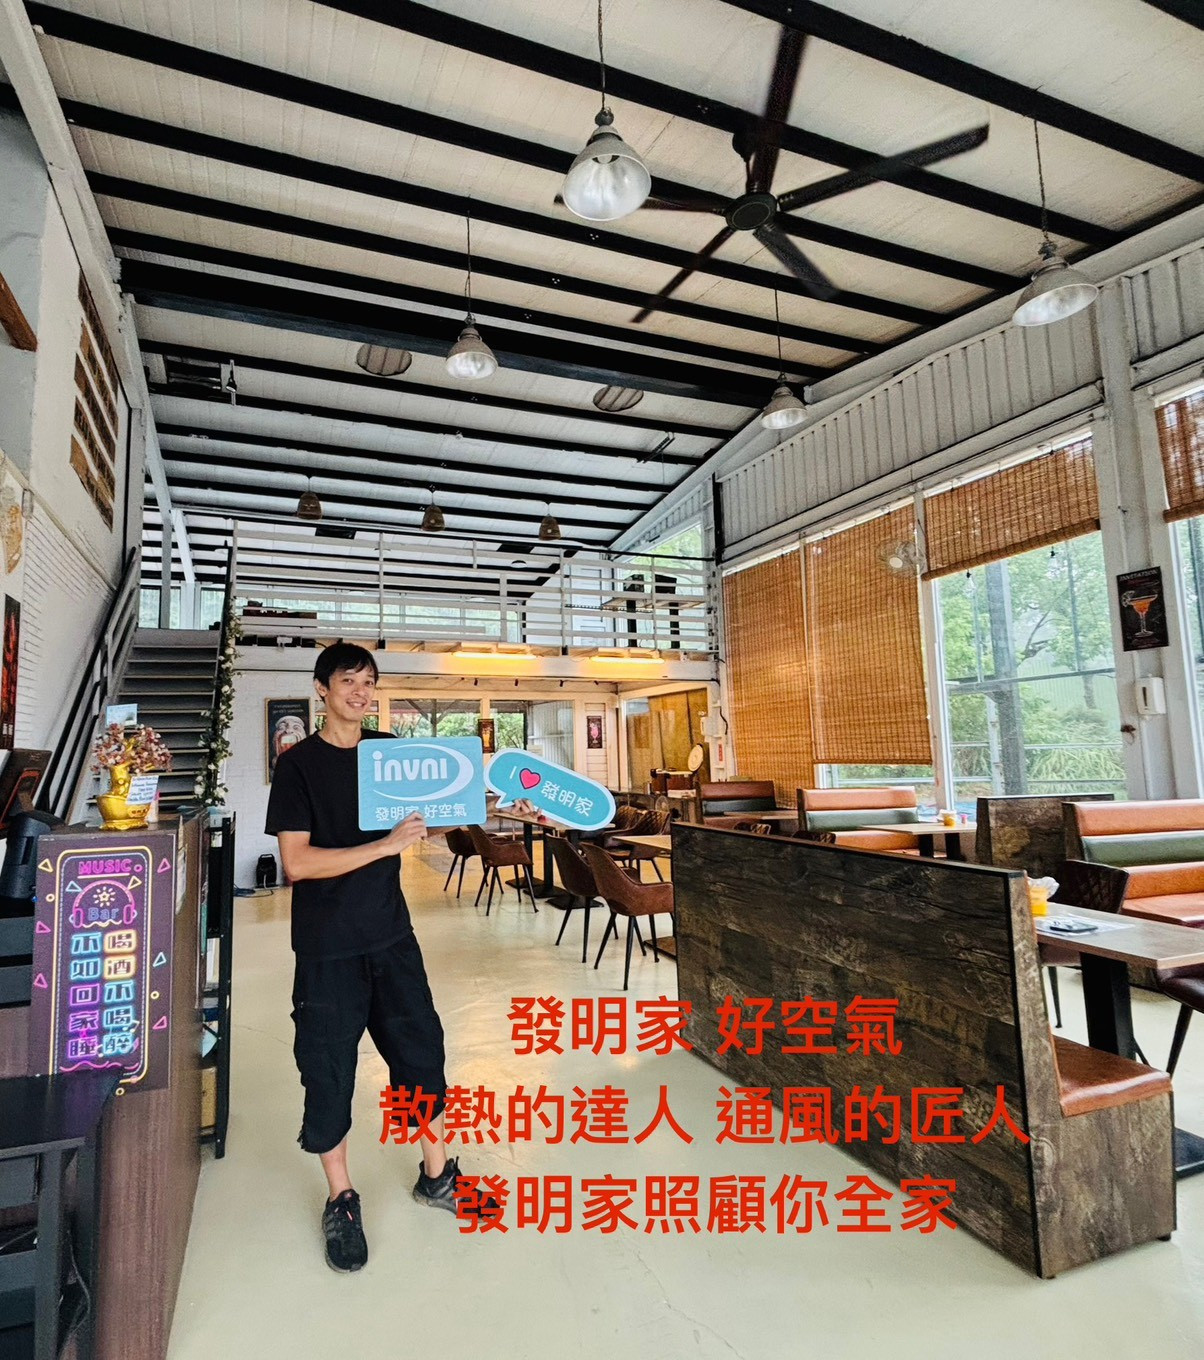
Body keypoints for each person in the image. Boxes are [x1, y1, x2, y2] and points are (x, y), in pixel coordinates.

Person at [265, 641, 492, 1272]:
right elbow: (297, 862)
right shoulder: (298, 766)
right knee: (329, 1071)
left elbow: (427, 821)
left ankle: (437, 1176)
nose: (361, 693)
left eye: (369, 682)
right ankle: (341, 1198)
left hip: (392, 937)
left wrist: (489, 809)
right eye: (348, 681)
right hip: (327, 949)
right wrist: (383, 846)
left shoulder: (388, 751)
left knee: (421, 1054)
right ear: (322, 689)